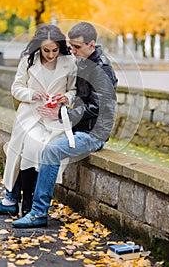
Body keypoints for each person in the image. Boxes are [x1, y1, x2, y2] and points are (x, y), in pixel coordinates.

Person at [12, 21, 118, 228]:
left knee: (50, 150)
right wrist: (64, 100)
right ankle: (12, 199)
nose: (71, 51)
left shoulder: (101, 70)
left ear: (92, 44)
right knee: (29, 142)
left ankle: (38, 212)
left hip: (93, 134)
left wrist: (61, 114)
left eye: (77, 47)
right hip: (76, 127)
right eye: (70, 46)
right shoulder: (83, 60)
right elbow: (77, 95)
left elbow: (96, 109)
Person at [0, 24, 77, 217]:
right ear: (38, 47)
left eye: (55, 50)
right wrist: (32, 94)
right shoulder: (28, 60)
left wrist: (65, 98)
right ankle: (14, 201)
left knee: (32, 151)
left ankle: (23, 203)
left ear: (61, 47)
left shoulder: (70, 62)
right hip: (29, 114)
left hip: (52, 117)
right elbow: (16, 88)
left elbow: (73, 90)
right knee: (18, 151)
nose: (50, 54)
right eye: (46, 50)